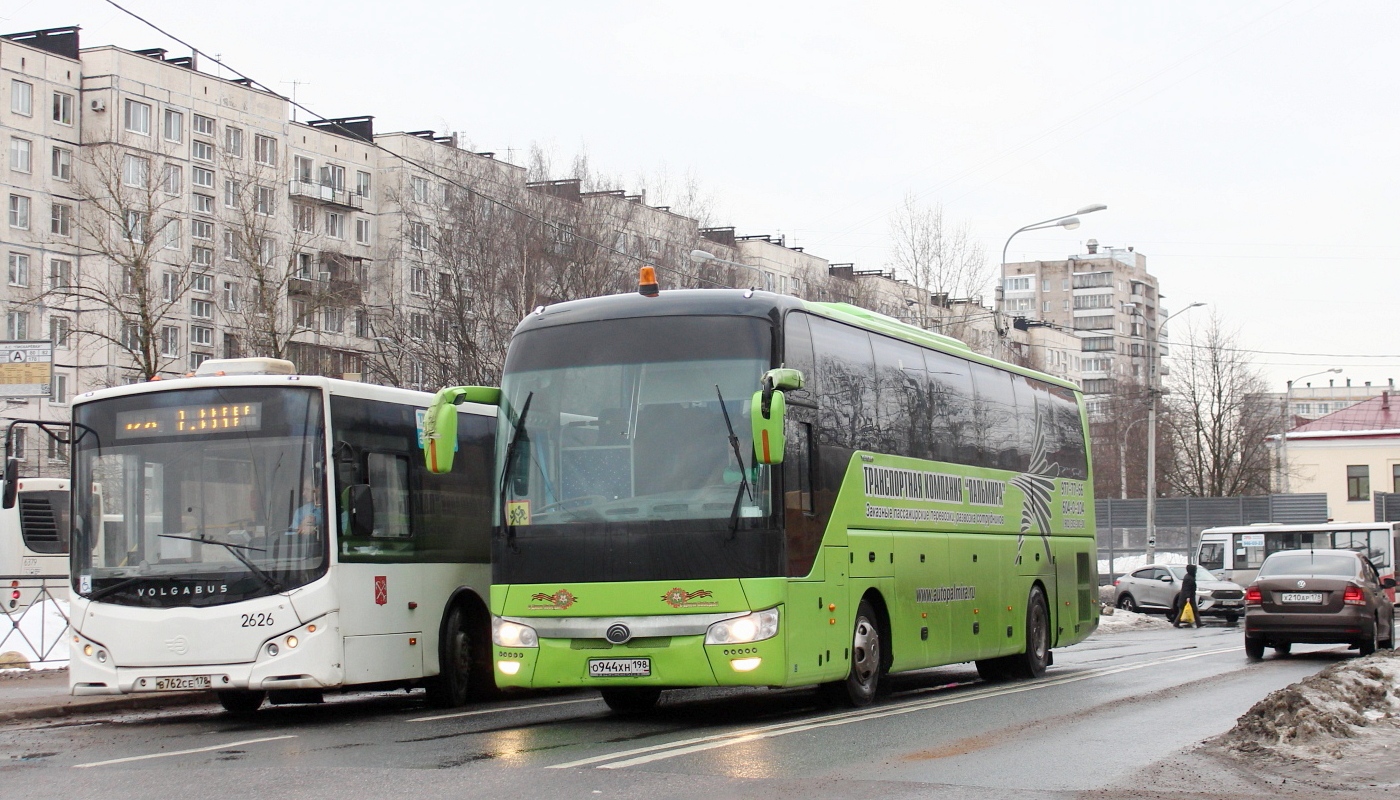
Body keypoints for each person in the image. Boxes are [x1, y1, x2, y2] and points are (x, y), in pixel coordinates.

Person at [1172, 564, 1202, 628]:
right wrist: (1188, 597)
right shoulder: (1189, 578)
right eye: (1195, 570)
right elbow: (1186, 588)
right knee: (1183, 610)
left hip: (1188, 597)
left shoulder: (1189, 576)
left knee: (1193, 610)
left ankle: (1199, 623)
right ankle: (1176, 624)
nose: (1196, 571)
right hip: (1187, 597)